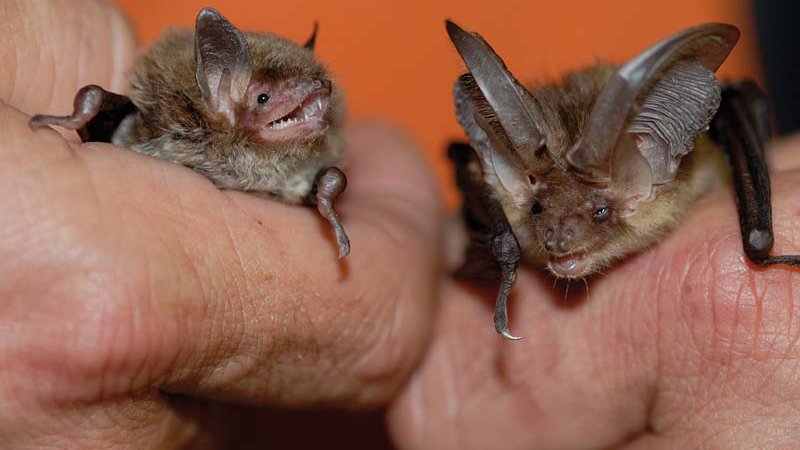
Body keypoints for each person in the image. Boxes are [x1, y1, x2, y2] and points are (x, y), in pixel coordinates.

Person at [2, 1, 799, 448]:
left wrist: (746, 306)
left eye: (591, 213)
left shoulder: (675, 166)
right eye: (536, 212)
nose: (558, 238)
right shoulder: (184, 102)